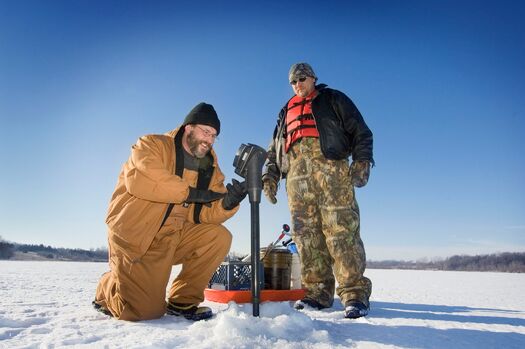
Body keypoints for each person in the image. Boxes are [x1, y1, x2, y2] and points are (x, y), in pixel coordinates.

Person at [94, 102, 247, 321]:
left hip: (172, 237)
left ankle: (182, 302)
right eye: (206, 132)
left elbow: (203, 214)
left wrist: (228, 203)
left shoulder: (209, 168)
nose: (210, 140)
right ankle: (108, 285)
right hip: (137, 239)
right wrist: (191, 193)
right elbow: (147, 179)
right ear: (188, 128)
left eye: (214, 136)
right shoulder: (151, 145)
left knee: (219, 237)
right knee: (143, 312)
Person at [262, 63, 374, 319]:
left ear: (313, 78)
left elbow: (361, 131)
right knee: (306, 236)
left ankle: (354, 294)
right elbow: (275, 148)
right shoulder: (285, 111)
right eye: (293, 81)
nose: (297, 84)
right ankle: (317, 293)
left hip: (331, 171)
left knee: (341, 230)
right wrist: (270, 175)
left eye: (302, 79)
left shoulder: (333, 99)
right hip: (297, 177)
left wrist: (362, 161)